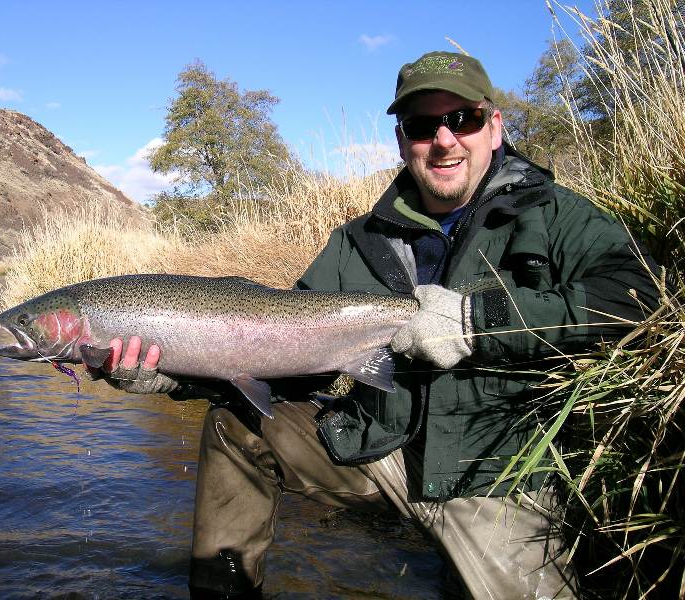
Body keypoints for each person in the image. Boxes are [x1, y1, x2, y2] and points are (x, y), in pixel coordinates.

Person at [91, 51, 661, 599]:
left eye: (461, 119)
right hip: (378, 450)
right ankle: (225, 592)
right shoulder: (357, 242)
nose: (443, 140)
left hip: (494, 473)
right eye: (422, 124)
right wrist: (173, 375)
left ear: (494, 125)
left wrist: (475, 320)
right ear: (401, 139)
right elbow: (278, 354)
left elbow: (641, 292)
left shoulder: (556, 216)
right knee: (233, 425)